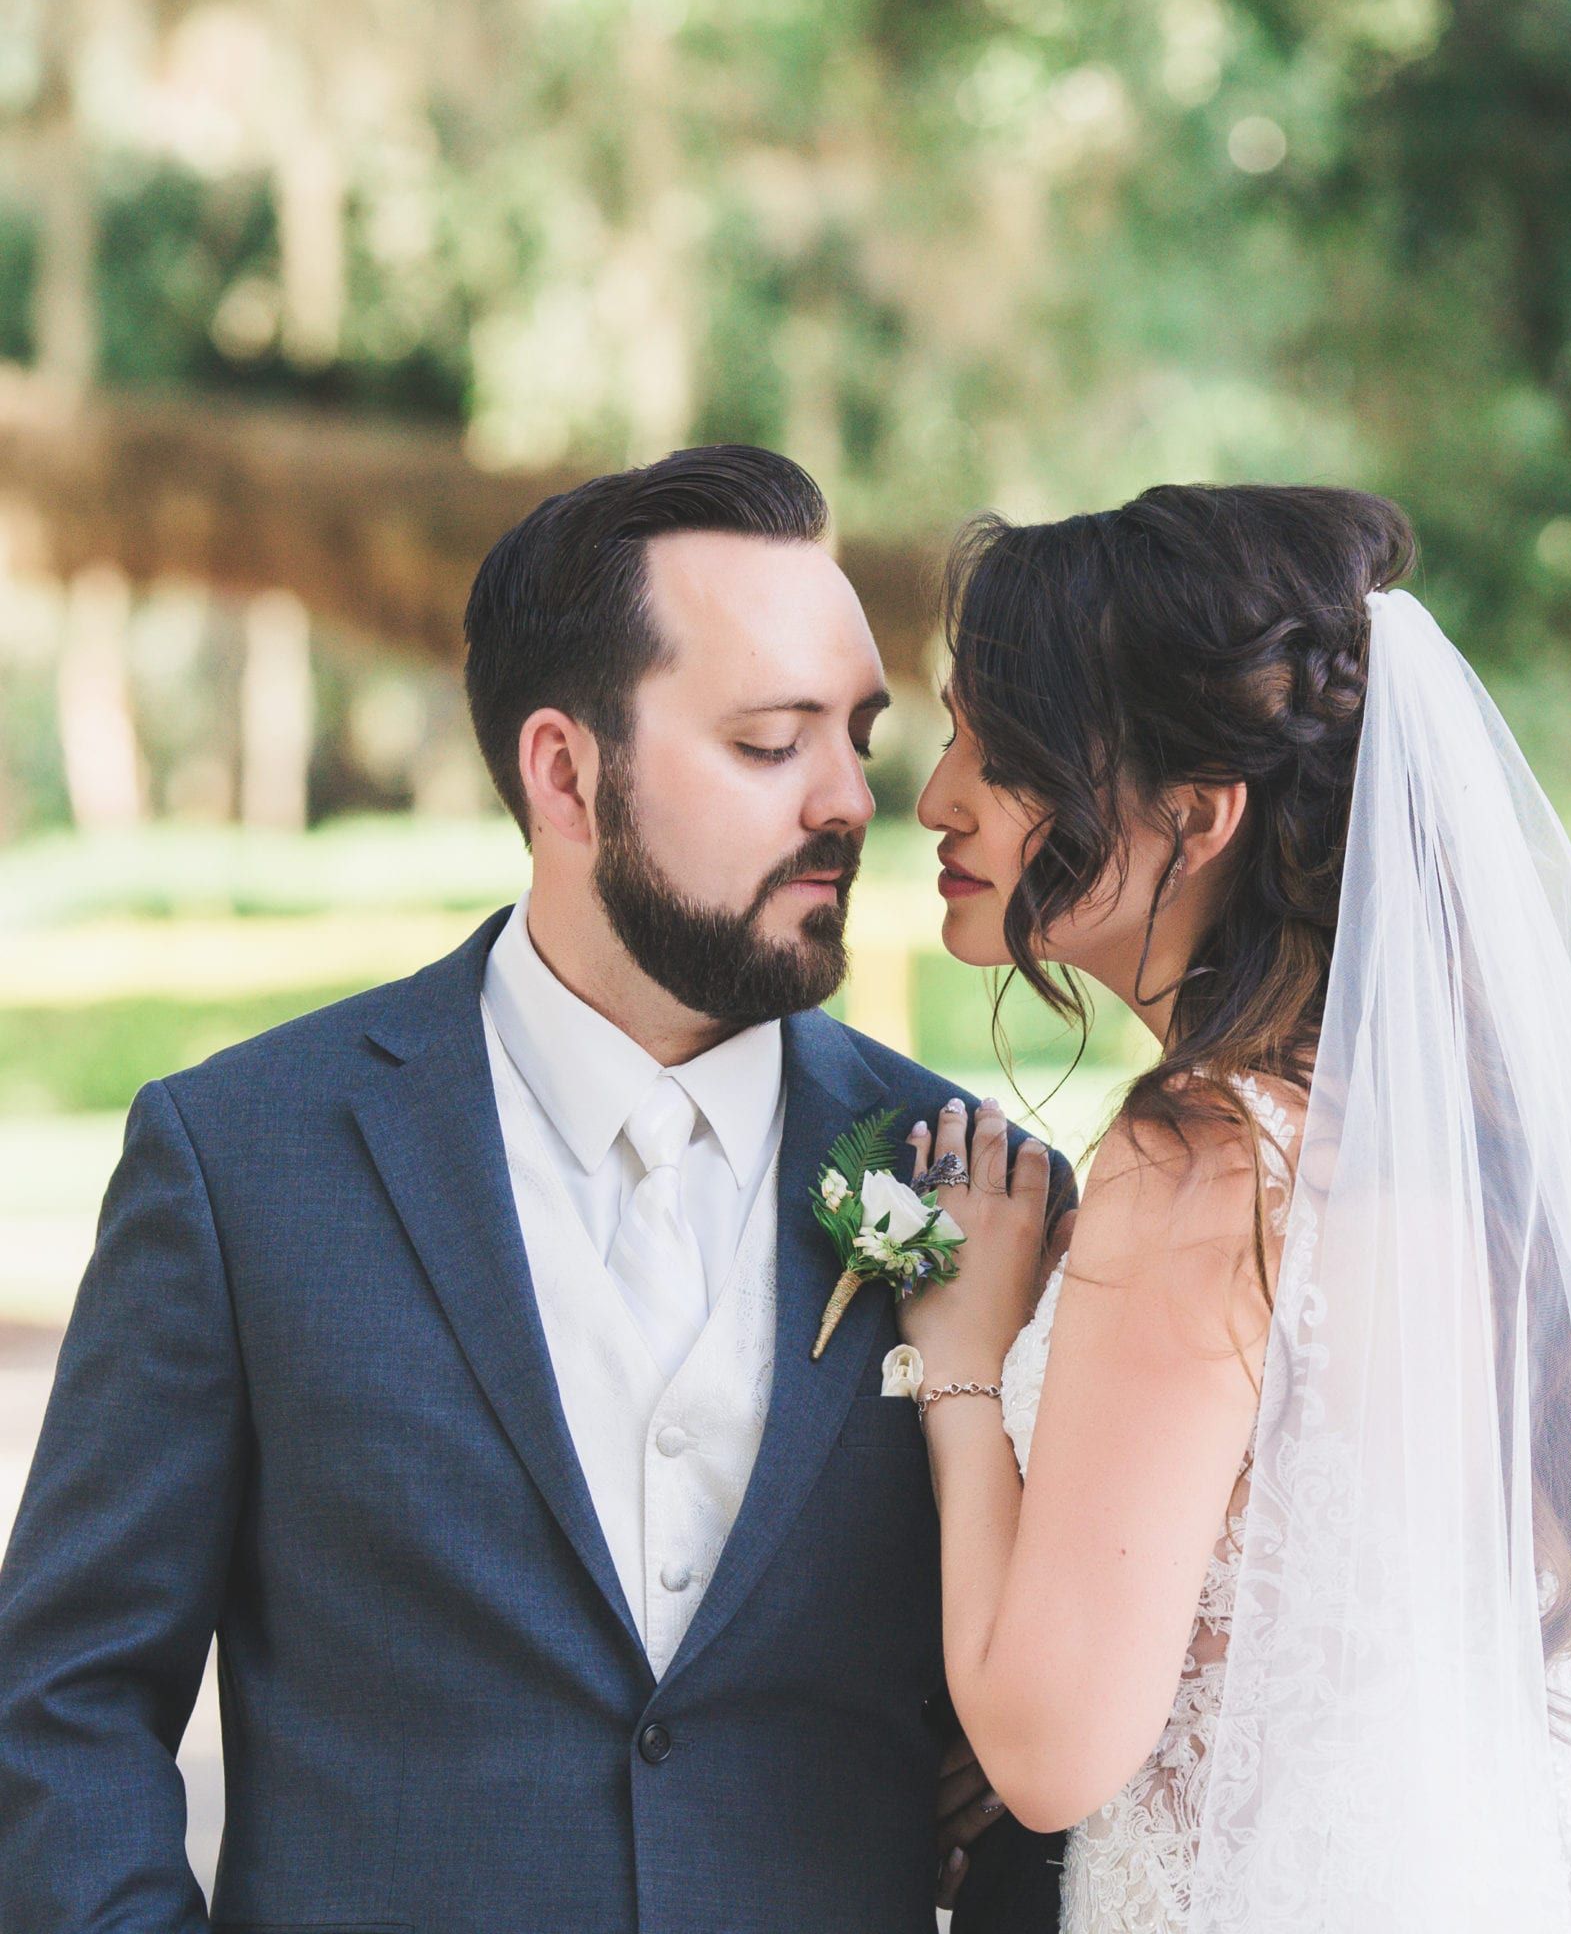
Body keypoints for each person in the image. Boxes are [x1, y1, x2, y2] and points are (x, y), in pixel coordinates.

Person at [0, 444, 1077, 1934]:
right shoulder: (242, 1161)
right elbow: (65, 1706)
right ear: (566, 773)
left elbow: (1058, 1763)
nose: (849, 801)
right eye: (772, 744)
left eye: (860, 735)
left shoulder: (978, 1188)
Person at [896, 482, 1571, 1932]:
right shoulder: (1414, 1138)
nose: (936, 796)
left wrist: (960, 1357)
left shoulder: (1204, 1163)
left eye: (1000, 752)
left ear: (1197, 814)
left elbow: (1049, 1747)